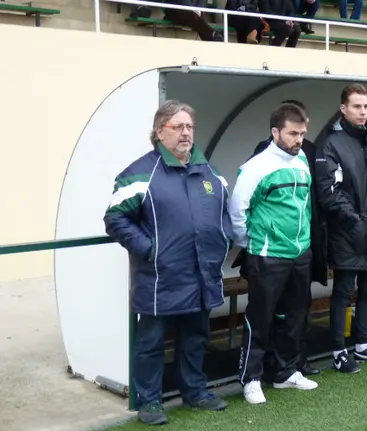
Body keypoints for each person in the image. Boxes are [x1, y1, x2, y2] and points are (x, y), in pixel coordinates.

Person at [103, 100, 230, 425]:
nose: (186, 133)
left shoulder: (210, 172)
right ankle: (150, 402)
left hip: (202, 276)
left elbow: (225, 214)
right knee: (150, 343)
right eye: (178, 126)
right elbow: (115, 219)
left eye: (189, 127)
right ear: (160, 132)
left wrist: (222, 240)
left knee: (195, 338)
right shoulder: (140, 174)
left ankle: (195, 391)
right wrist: (151, 249)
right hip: (160, 278)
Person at [230, 103, 318, 405]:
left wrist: (302, 243)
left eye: (302, 133)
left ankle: (285, 372)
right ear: (275, 132)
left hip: (300, 253)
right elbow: (237, 210)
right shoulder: (257, 166)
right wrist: (254, 244)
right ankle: (251, 378)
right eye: (293, 133)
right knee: (261, 317)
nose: (299, 140)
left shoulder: (303, 158)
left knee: (293, 316)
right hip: (267, 256)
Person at [314, 84, 367, 374]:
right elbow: (328, 192)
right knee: (344, 291)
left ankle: (362, 345)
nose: (362, 112)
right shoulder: (330, 143)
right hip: (347, 233)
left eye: (366, 107)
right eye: (357, 106)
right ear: (343, 108)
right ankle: (339, 349)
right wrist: (354, 220)